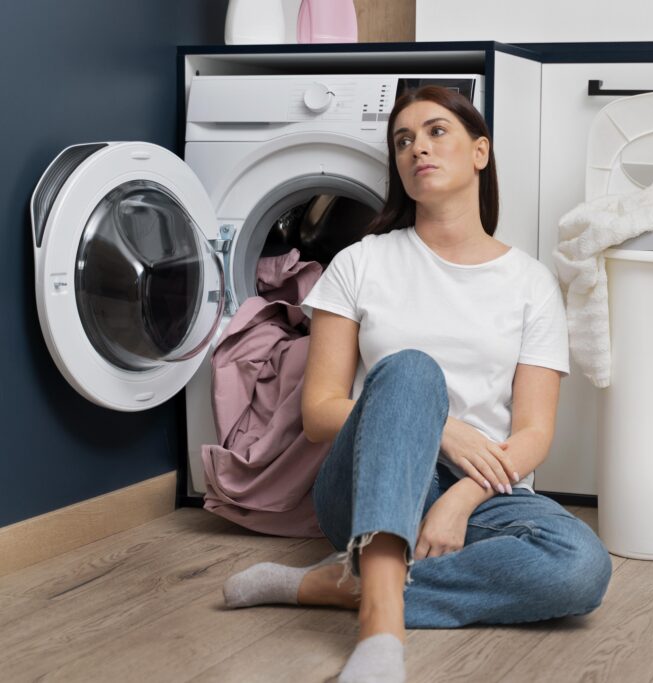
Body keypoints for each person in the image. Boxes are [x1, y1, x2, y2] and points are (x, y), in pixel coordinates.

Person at [220, 85, 613, 683]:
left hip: (483, 490)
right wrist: (444, 429)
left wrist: (461, 499)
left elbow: (533, 435)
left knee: (581, 567)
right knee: (409, 371)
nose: (416, 149)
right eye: (403, 140)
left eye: (435, 132)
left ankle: (332, 583)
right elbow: (321, 411)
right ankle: (381, 629)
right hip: (364, 482)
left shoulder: (530, 282)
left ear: (480, 152)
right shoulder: (363, 261)